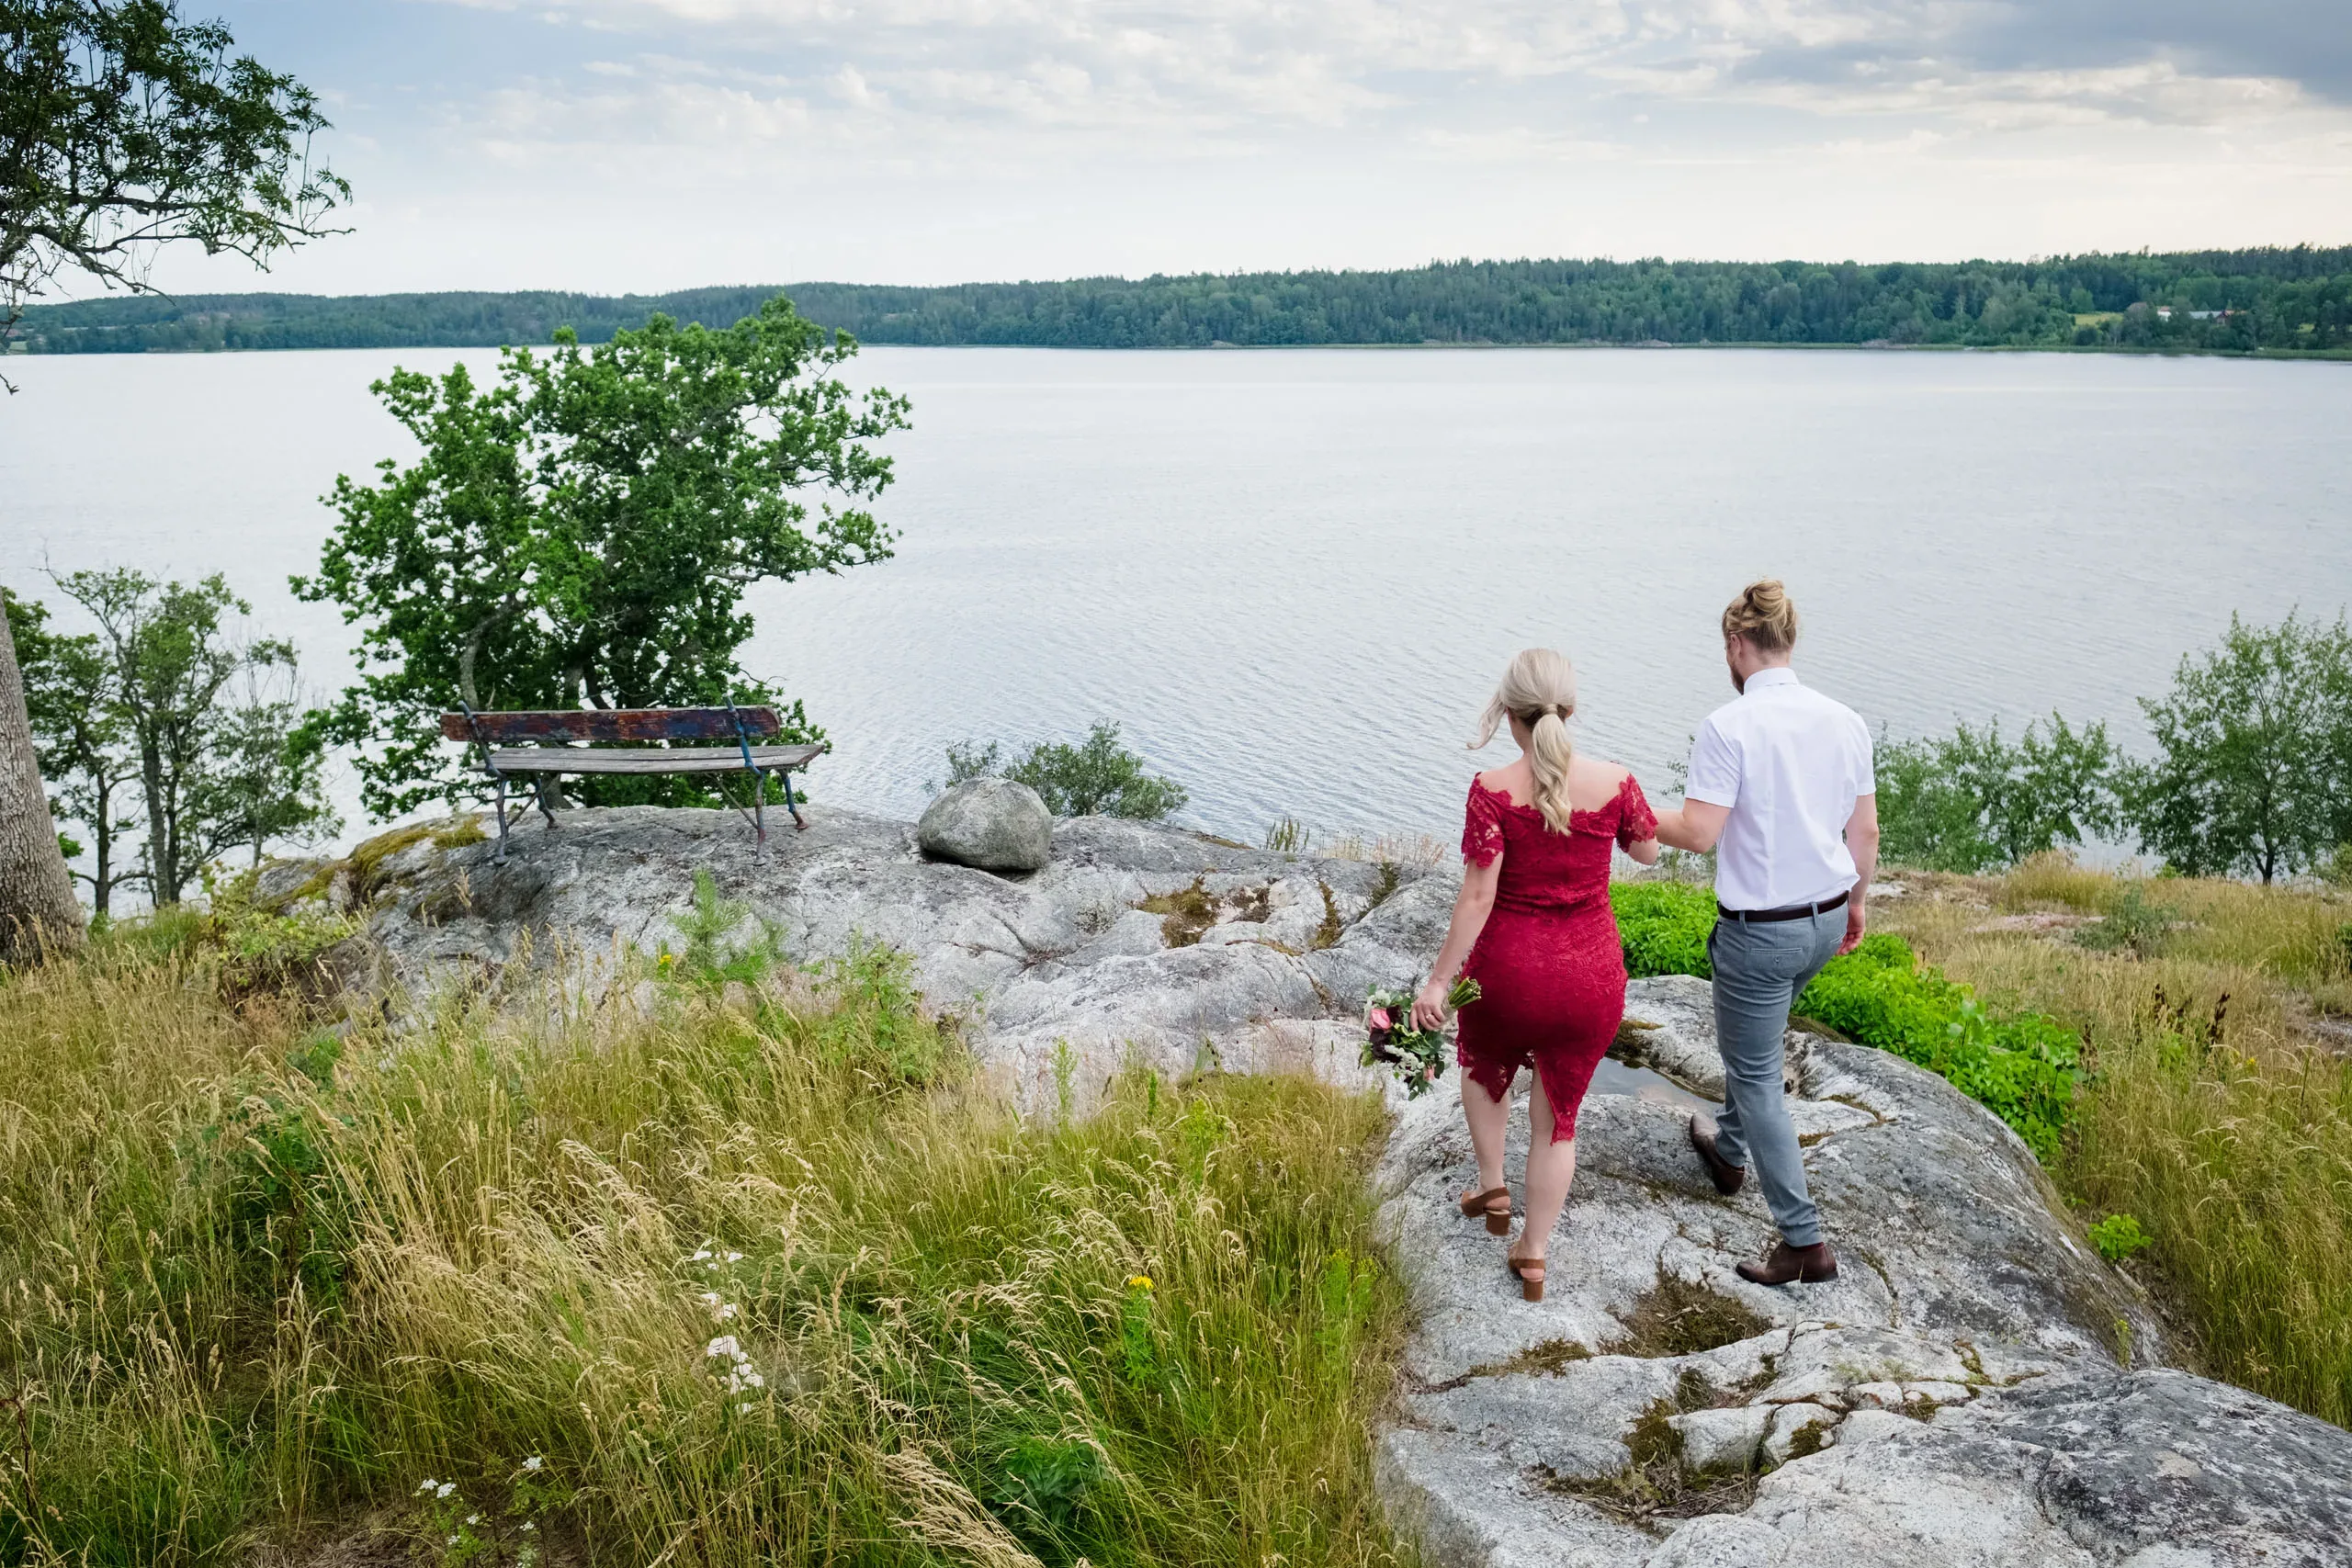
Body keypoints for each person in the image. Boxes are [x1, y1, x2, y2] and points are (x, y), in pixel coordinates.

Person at [1411, 648, 1661, 1303]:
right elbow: (1648, 851)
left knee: (1482, 1061)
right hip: (1590, 978)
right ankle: (1535, 1251)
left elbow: (1476, 897)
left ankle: (1492, 1182)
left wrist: (1438, 982)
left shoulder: (1491, 790)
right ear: (1570, 711)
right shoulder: (1617, 783)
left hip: (1508, 974)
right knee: (1559, 1122)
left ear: (1510, 715)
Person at [1653, 581, 1878, 1287]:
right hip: (1827, 915)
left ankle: (1803, 1242)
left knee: (1755, 1077)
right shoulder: (1847, 720)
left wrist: (1624, 804)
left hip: (1761, 935)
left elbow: (1698, 832)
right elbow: (1863, 832)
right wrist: (1858, 903)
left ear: (1735, 645)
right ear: (1789, 641)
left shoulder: (1730, 726)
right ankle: (1726, 1146)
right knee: (1756, 1049)